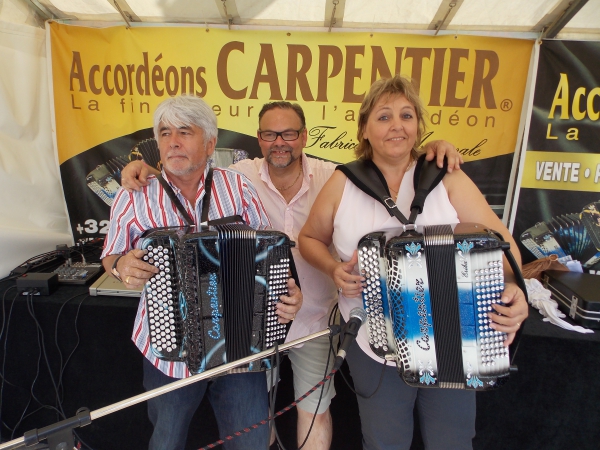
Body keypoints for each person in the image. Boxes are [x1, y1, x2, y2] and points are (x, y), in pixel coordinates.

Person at [121, 101, 463, 449]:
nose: (279, 142)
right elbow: (186, 164)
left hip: (313, 317)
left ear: (304, 137)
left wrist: (436, 150)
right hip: (254, 325)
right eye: (270, 134)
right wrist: (145, 167)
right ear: (259, 139)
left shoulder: (336, 176)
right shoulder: (241, 175)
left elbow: (384, 162)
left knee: (313, 409)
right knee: (254, 416)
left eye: (288, 133)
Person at [298, 75, 528, 450]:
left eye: (407, 115)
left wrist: (515, 286)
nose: (397, 125)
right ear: (365, 128)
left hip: (453, 337)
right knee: (384, 441)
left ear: (419, 126)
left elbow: (502, 244)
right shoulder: (344, 182)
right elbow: (309, 238)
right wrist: (332, 269)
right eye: (384, 116)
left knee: (451, 441)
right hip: (374, 343)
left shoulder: (446, 177)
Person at [101, 95, 302, 450]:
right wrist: (120, 266)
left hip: (241, 344)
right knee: (166, 440)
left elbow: (270, 254)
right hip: (168, 350)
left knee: (251, 441)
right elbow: (111, 255)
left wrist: (289, 293)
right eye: (164, 133)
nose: (173, 141)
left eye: (184, 131)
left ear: (210, 143)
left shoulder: (237, 187)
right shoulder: (132, 195)